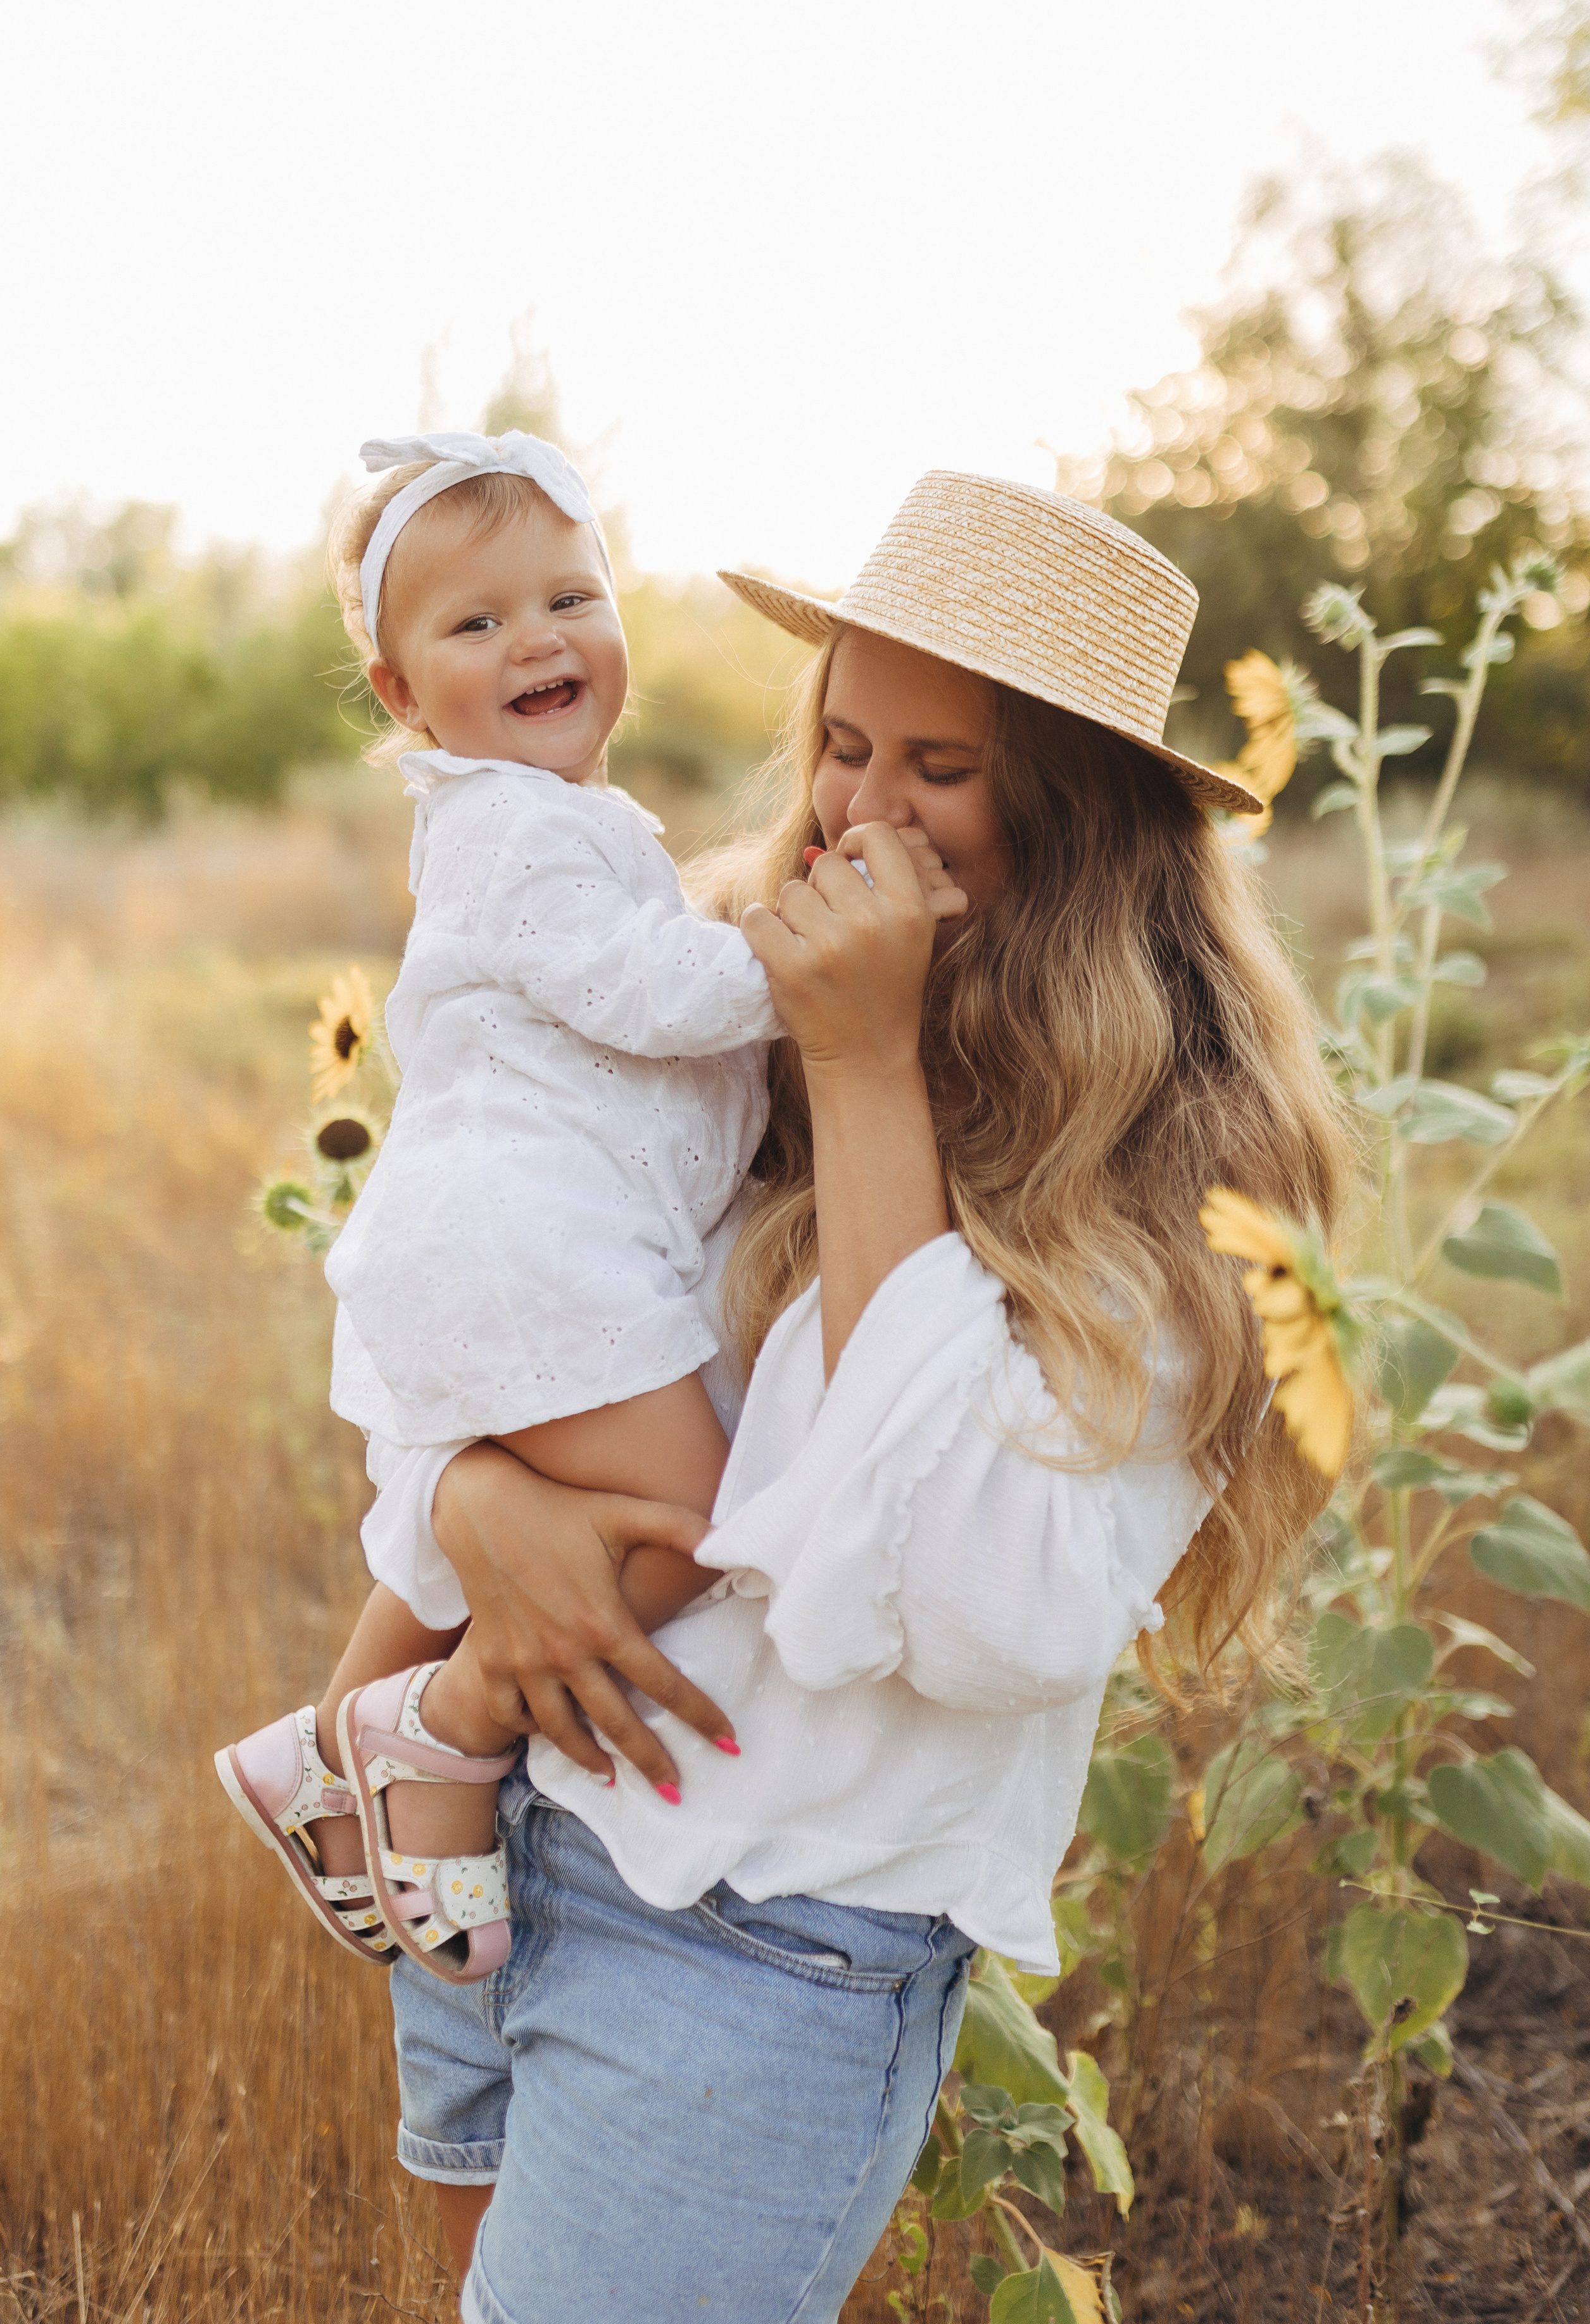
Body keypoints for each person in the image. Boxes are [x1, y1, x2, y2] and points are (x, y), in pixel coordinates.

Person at [360, 471, 1356, 2324]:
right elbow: (485, 1257)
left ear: (1084, 812)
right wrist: (467, 1501)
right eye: (842, 744)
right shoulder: (726, 972)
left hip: (759, 1948)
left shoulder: (1191, 1162)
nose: (860, 812)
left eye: (943, 769)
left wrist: (873, 1070)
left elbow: (980, 1610)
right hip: (510, 1841)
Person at [215, 430, 965, 1979]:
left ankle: (320, 1757)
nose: (537, 639)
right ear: (404, 698)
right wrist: (809, 958)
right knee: (683, 1520)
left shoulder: (571, 822)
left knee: (519, 1519)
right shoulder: (502, 830)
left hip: (544, 1240)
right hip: (525, 1245)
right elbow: (641, 991)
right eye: (475, 623)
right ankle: (441, 1734)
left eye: (570, 595)